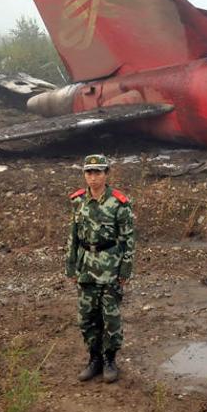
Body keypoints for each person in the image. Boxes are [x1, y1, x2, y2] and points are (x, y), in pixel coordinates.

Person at [66, 154, 135, 383]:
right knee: (87, 318)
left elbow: (128, 240)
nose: (93, 177)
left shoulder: (119, 202)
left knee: (110, 317)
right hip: (86, 266)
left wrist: (125, 270)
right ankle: (94, 358)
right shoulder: (78, 201)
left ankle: (109, 360)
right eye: (89, 172)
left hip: (110, 266)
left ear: (106, 174)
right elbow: (73, 237)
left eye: (98, 172)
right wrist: (71, 267)